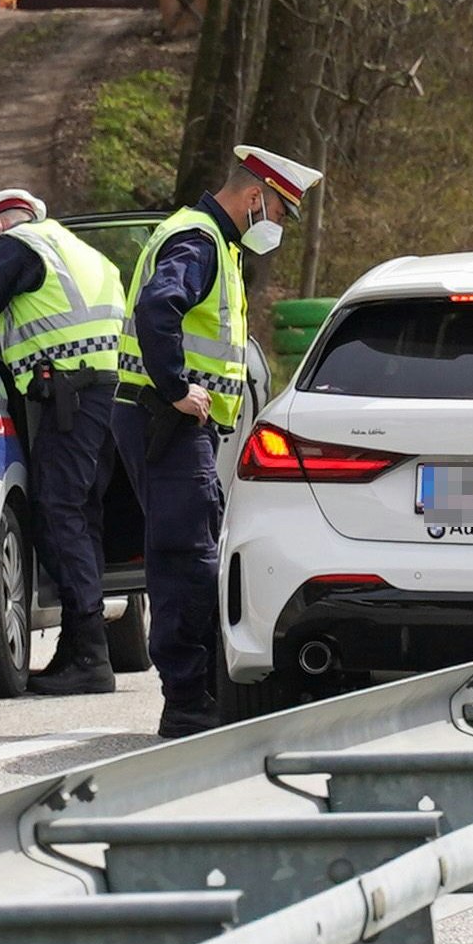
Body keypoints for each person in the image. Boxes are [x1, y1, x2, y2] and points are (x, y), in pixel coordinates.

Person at [113, 145, 323, 738]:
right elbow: (160, 306)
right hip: (168, 421)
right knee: (187, 559)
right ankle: (187, 700)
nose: (278, 228)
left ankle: (195, 692)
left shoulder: (213, 243)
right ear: (255, 197)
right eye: (280, 213)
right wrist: (177, 385)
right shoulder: (200, 240)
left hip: (172, 426)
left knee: (193, 551)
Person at [0, 188, 127, 696]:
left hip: (67, 399)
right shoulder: (82, 252)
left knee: (58, 514)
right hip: (106, 397)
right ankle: (81, 649)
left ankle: (91, 656)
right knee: (83, 518)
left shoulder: (19, 246)